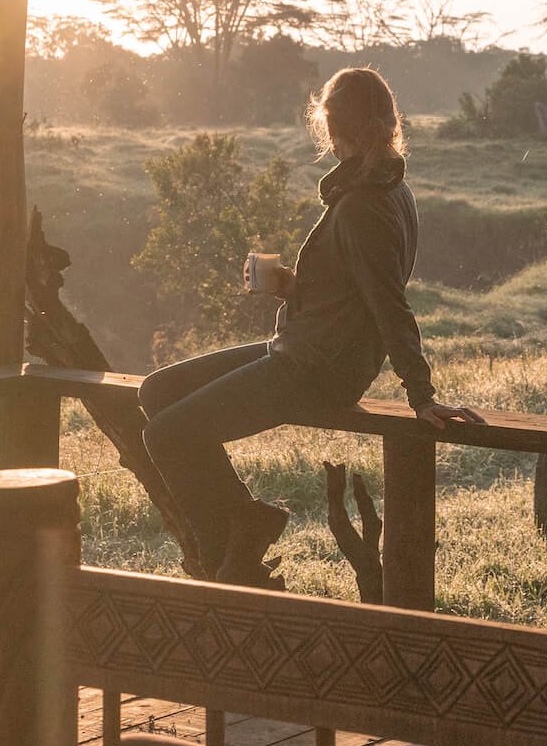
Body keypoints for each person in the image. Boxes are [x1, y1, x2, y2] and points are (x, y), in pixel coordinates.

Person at [140, 67, 483, 586]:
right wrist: (290, 285)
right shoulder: (386, 186)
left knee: (166, 434)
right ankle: (242, 521)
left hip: (317, 370)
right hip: (307, 348)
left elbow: (389, 305)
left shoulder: (364, 204)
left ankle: (225, 559)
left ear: (333, 128)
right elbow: (353, 293)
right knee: (158, 390)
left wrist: (422, 394)